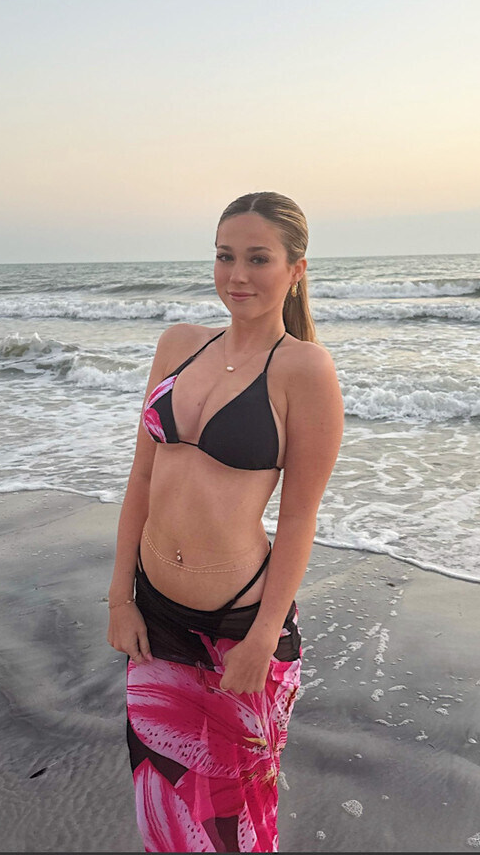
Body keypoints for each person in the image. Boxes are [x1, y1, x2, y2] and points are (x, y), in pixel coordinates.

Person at [107, 192, 344, 853]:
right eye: (225, 256)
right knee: (163, 808)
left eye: (258, 259)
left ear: (295, 270)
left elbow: (298, 518)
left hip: (238, 629)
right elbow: (142, 480)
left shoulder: (303, 369)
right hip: (155, 615)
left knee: (233, 821)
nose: (237, 275)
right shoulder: (179, 345)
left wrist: (264, 637)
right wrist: (120, 598)